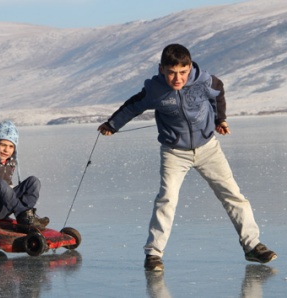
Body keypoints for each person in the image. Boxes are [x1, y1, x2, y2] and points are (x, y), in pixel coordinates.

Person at [98, 44, 276, 271]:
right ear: (162, 69)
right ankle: (153, 254)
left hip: (208, 148)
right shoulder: (155, 89)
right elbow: (133, 106)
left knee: (233, 195)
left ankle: (253, 246)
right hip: (174, 153)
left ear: (189, 67)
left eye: (182, 72)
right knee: (167, 199)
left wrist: (221, 119)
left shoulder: (203, 81)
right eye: (172, 72)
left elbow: (219, 91)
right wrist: (113, 125)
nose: (177, 78)